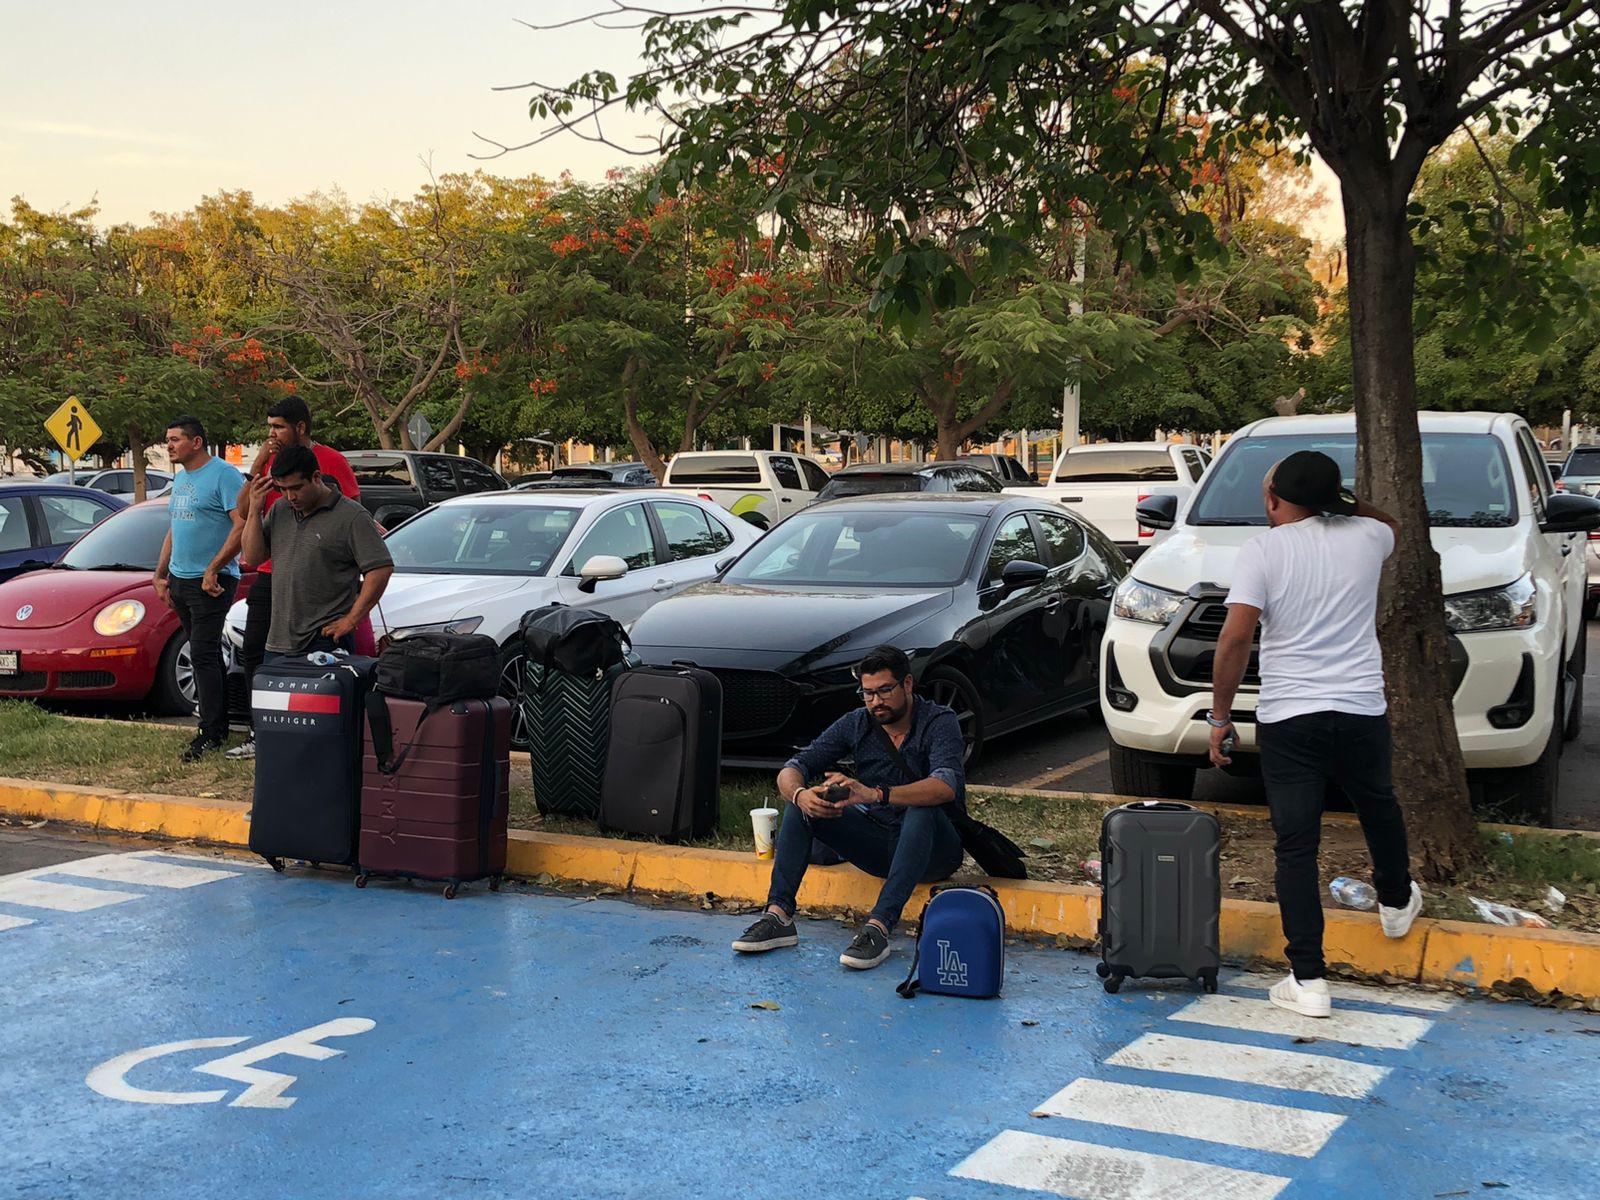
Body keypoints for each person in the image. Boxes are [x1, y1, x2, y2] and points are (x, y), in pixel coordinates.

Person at [1208, 449, 1423, 1019]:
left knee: (1296, 844)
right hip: (1359, 707)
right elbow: (1391, 524)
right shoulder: (1368, 537)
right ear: (1336, 499)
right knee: (1378, 803)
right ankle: (1397, 899)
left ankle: (1308, 980)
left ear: (1274, 499)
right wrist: (1344, 502)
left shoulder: (1262, 550)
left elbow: (1234, 640)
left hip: (1291, 717)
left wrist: (1220, 717)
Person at [732, 645, 966, 970]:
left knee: (920, 808)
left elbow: (944, 787)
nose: (876, 702)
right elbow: (793, 767)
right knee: (806, 803)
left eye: (885, 690)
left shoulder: (939, 721)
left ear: (908, 684)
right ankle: (779, 916)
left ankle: (878, 928)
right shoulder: (857, 723)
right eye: (867, 693)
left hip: (935, 850)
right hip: (882, 844)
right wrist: (800, 794)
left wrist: (874, 794)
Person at [227, 397, 361, 760]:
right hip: (273, 572)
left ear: (300, 427)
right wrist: (258, 465)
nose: (271, 434)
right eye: (269, 427)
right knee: (257, 650)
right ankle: (264, 731)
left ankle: (318, 740)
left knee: (319, 663)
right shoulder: (269, 463)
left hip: (320, 581)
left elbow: (348, 515)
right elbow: (242, 511)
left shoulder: (332, 462)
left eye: (278, 427)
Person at [241, 444, 393, 662]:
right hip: (278, 641)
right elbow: (254, 557)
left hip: (325, 639)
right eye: (282, 489)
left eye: (296, 487)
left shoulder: (351, 515)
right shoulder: (281, 509)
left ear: (316, 477)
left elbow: (381, 569)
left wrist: (351, 620)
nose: (290, 496)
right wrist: (255, 509)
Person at [153, 416, 247, 763]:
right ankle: (216, 723)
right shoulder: (181, 479)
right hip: (181, 579)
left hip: (212, 581)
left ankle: (211, 733)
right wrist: (160, 573)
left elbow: (242, 525)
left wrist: (214, 569)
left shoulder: (224, 474)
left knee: (204, 654)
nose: (170, 446)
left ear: (197, 442)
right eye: (168, 439)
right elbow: (175, 528)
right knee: (201, 653)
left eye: (176, 439)